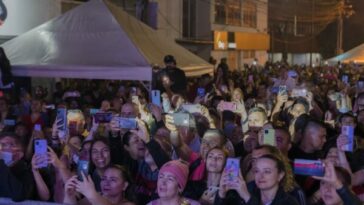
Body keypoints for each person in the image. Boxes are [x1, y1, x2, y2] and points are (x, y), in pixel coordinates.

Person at [215, 154, 299, 205]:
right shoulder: (247, 190)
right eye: (257, 171)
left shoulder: (289, 202)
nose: (260, 176)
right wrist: (222, 194)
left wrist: (247, 197)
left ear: (280, 175)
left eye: (267, 171)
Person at [64, 165, 137, 205]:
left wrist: (92, 195)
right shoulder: (97, 195)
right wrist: (70, 195)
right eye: (104, 179)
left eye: (113, 180)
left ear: (125, 185)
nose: (106, 183)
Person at [0, 132, 34, 201]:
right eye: (2, 145)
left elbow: (18, 195)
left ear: (20, 154)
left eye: (11, 145)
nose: (3, 149)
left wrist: (1, 162)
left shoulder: (27, 173)